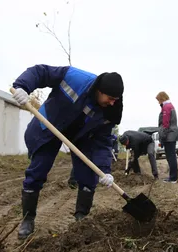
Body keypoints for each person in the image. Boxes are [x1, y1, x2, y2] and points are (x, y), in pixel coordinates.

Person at [12, 64, 124, 240]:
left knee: (89, 175)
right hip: (51, 125)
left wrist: (105, 170)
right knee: (37, 171)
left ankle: (82, 219)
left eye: (116, 99)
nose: (112, 103)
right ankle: (28, 220)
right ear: (99, 90)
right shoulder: (75, 78)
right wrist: (22, 87)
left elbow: (103, 142)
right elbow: (41, 72)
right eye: (110, 98)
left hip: (83, 136)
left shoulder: (111, 110)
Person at [156, 91, 178, 183]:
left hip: (169, 135)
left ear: (162, 98)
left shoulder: (166, 107)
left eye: (158, 100)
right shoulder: (170, 106)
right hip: (171, 134)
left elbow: (165, 123)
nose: (158, 103)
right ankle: (173, 176)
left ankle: (173, 178)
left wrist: (163, 136)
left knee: (171, 156)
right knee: (171, 156)